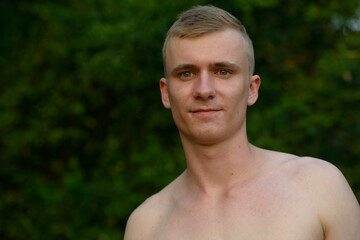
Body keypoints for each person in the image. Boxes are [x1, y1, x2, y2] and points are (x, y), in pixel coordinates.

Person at [124, 5, 360, 240]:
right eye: (187, 73)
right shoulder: (146, 226)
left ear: (251, 89)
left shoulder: (319, 187)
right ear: (166, 93)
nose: (204, 90)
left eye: (223, 72)